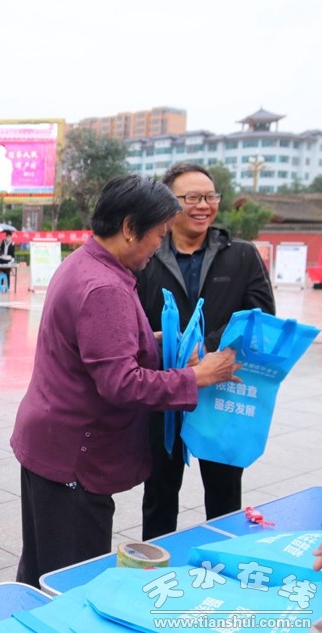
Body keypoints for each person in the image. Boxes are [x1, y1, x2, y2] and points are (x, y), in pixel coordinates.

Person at [9, 174, 242, 588]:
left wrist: (157, 341)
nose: (159, 245)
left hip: (50, 441)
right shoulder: (105, 286)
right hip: (75, 458)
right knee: (70, 583)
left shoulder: (85, 263)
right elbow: (122, 383)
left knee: (42, 569)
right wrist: (196, 376)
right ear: (130, 227)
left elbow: (99, 344)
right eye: (158, 235)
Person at [137, 162, 275, 540]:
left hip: (222, 390)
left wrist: (206, 348)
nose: (203, 205)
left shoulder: (242, 255)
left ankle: (225, 560)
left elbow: (262, 317)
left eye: (210, 196)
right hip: (166, 389)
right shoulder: (148, 254)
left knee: (224, 495)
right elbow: (132, 319)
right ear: (168, 203)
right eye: (192, 197)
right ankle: (156, 566)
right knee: (159, 494)